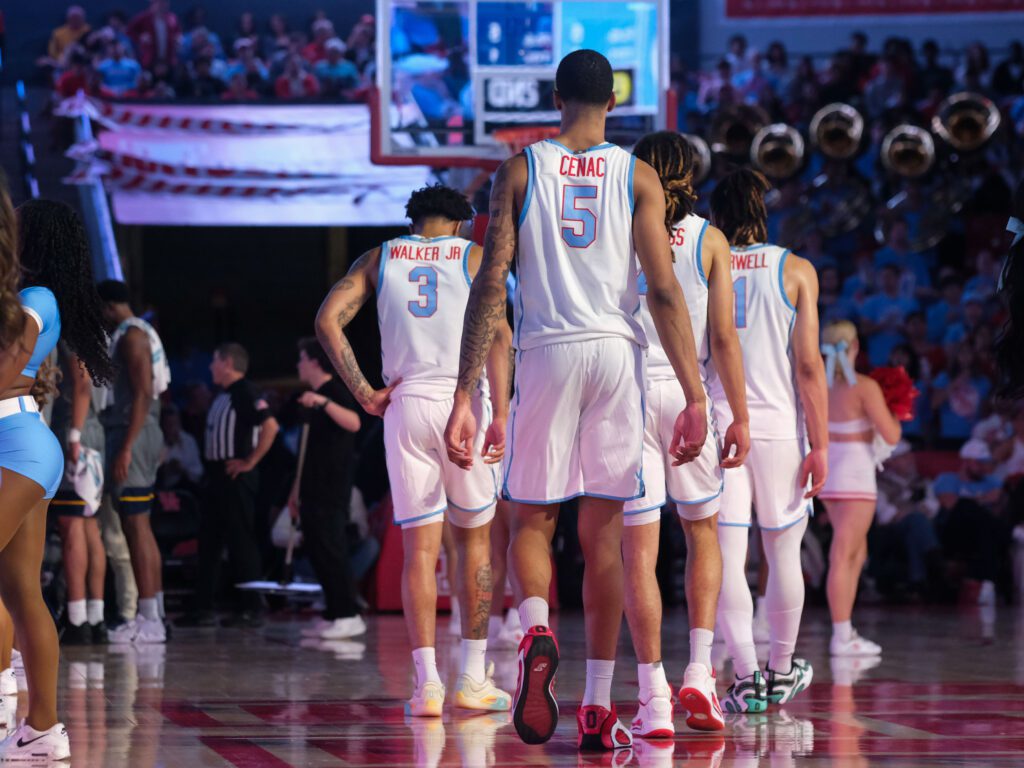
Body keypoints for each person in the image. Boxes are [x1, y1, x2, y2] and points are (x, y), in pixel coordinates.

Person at [445, 50, 708, 749]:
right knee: (606, 539)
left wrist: (467, 393)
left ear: (556, 98)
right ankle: (596, 702)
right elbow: (663, 290)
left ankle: (535, 627)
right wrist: (695, 394)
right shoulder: (639, 174)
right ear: (613, 102)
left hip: (548, 351)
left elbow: (491, 284)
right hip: (617, 354)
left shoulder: (519, 170)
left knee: (532, 519)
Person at [316, 184, 513, 718]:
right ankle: (472, 677)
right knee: (474, 545)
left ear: (413, 220)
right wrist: (500, 414)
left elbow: (326, 321)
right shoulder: (474, 256)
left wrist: (364, 393)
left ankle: (426, 685)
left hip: (405, 405)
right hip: (463, 403)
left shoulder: (379, 257)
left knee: (419, 553)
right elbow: (499, 337)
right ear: (459, 223)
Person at [620, 131, 750, 738]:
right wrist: (739, 414)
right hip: (688, 391)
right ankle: (699, 669)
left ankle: (653, 695)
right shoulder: (711, 239)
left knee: (638, 551)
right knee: (702, 533)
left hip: (628, 390)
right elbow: (723, 338)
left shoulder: (620, 228)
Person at [709, 169, 827, 714]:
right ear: (762, 209)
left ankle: (745, 676)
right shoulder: (796, 269)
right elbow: (808, 366)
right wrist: (821, 444)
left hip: (722, 425)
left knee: (728, 557)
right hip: (780, 427)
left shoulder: (707, 262)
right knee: (783, 555)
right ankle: (780, 671)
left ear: (718, 215)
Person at [0, 197, 114, 760]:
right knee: (22, 592)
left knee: (21, 591)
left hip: (18, 445)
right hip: (19, 442)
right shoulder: (29, 298)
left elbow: (3, 372)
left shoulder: (37, 299)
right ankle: (40, 731)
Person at [818, 321, 901, 657]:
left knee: (855, 552)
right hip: (855, 476)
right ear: (854, 347)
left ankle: (846, 631)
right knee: (843, 554)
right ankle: (841, 635)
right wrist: (897, 414)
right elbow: (892, 435)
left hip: (829, 473)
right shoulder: (865, 387)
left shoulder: (819, 384)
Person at [182, 344, 279, 627]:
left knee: (241, 540)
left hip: (235, 477)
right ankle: (203, 606)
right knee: (209, 542)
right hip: (217, 477)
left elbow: (270, 426)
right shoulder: (225, 394)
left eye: (214, 361)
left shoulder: (245, 392)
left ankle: (252, 607)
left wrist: (250, 461)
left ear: (227, 363)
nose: (210, 367)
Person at [96, 280, 170, 644]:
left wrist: (127, 446)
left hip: (132, 432)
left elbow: (143, 392)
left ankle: (150, 618)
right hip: (138, 431)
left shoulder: (132, 336)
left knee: (136, 525)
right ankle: (153, 613)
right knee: (138, 525)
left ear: (110, 306)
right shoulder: (140, 331)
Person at [290, 337, 365, 641]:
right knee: (317, 548)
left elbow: (355, 422)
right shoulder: (311, 397)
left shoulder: (333, 391)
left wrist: (323, 403)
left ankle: (349, 613)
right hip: (311, 487)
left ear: (313, 361)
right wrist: (294, 492)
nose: (298, 365)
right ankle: (334, 612)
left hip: (331, 487)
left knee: (332, 547)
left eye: (301, 359)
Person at [50, 340, 110, 646]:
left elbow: (82, 382)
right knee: (88, 526)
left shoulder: (71, 334)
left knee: (71, 524)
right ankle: (95, 617)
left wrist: (73, 436)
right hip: (92, 428)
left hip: (74, 430)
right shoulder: (93, 332)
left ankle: (76, 618)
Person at [157, 405, 203, 492]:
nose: (172, 428)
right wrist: (166, 468)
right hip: (163, 489)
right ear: (162, 425)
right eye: (168, 424)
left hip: (187, 489)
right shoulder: (156, 441)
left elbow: (198, 472)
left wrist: (183, 470)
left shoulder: (189, 441)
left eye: (175, 423)